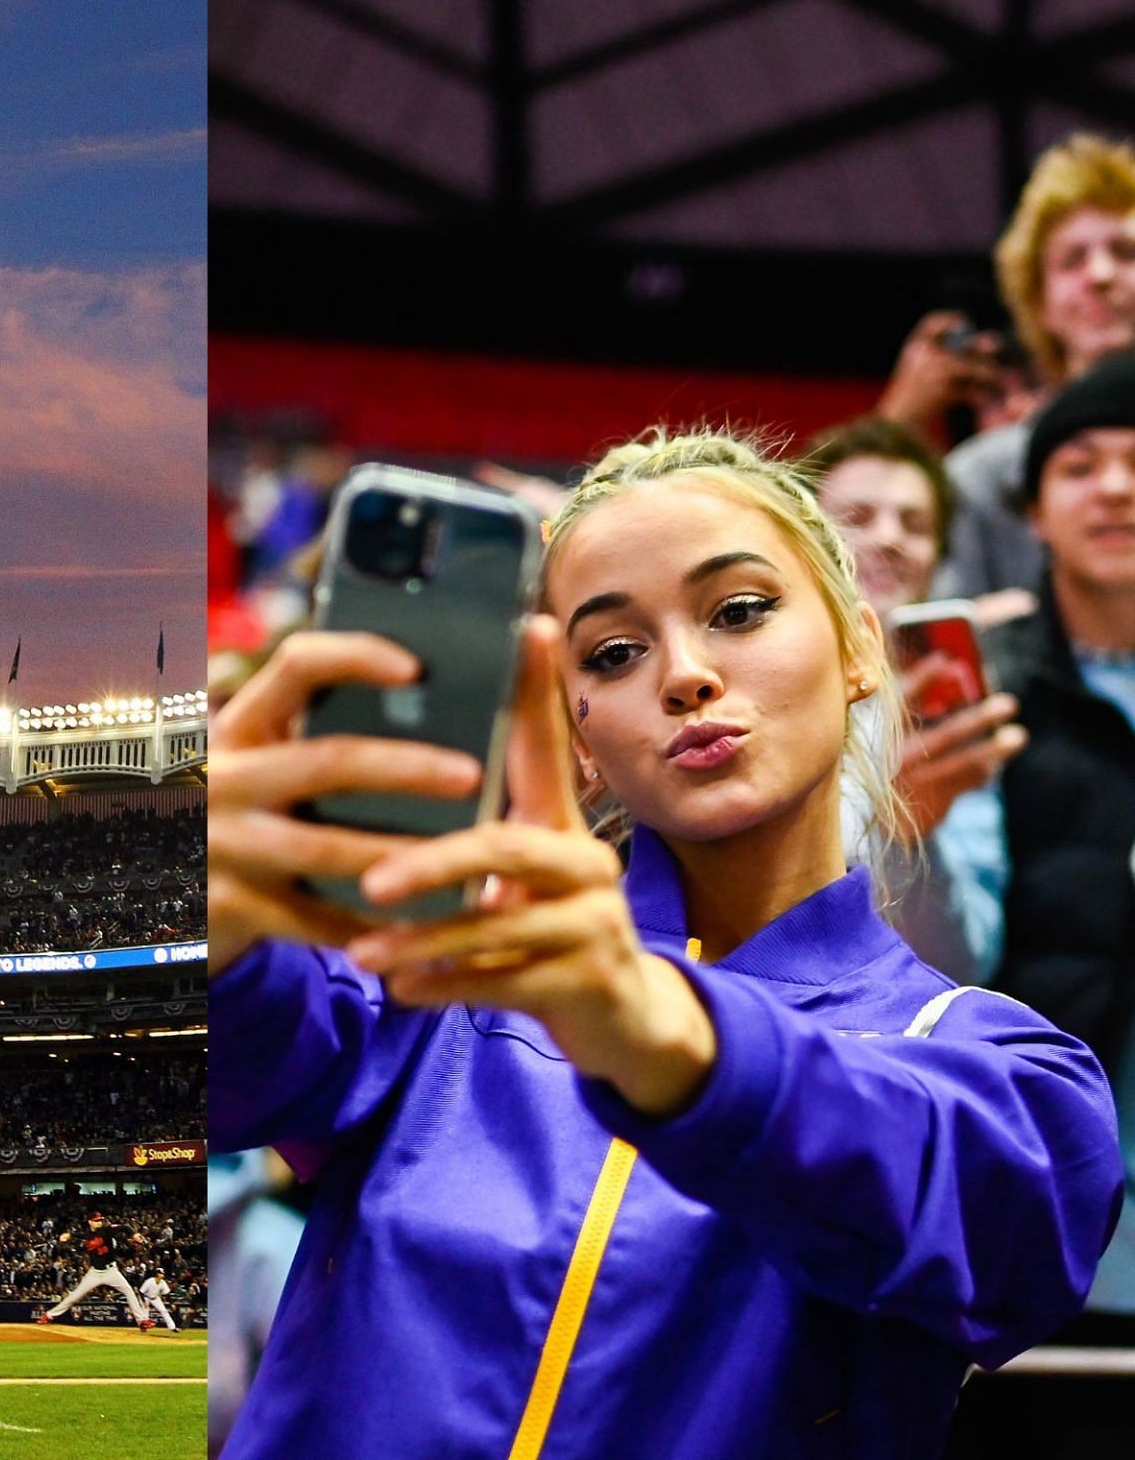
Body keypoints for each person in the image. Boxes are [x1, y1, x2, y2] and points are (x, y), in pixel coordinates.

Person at [210, 430, 1122, 1458]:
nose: (686, 675)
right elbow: (226, 1075)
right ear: (580, 737)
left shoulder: (993, 1063)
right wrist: (214, 937)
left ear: (861, 646)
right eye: (612, 653)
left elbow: (1016, 1249)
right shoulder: (435, 977)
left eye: (739, 611)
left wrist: (668, 1035)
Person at [980, 353, 1135, 1329]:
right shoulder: (983, 685)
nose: (1117, 488)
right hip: (1034, 1149)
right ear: (1034, 512)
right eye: (1079, 466)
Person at [800, 418, 1026, 984]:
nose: (889, 538)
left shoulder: (951, 714)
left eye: (915, 523)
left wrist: (908, 835)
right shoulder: (736, 682)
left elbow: (964, 961)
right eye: (857, 517)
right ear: (802, 537)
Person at [936, 134, 1135, 598]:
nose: (1101, 275)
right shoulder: (979, 480)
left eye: (1125, 253)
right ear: (1039, 302)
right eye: (1072, 260)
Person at [36, 1209, 153, 1331]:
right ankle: (48, 1316)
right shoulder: (87, 1234)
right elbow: (77, 1234)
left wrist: (134, 1234)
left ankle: (142, 1321)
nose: (99, 1222)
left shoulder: (106, 1230)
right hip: (95, 1272)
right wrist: (68, 1235)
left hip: (111, 1271)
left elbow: (124, 1227)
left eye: (100, 1220)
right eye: (96, 1221)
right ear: (90, 1222)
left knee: (129, 1291)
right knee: (75, 1296)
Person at [139, 1265, 179, 1332]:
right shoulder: (149, 1281)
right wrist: (143, 1302)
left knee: (164, 1311)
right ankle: (144, 1327)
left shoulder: (162, 1283)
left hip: (155, 1298)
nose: (162, 1274)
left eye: (163, 1273)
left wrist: (172, 1303)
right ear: (157, 1274)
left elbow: (167, 1294)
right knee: (145, 1311)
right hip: (146, 1297)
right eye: (161, 1273)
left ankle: (172, 1327)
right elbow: (141, 1292)